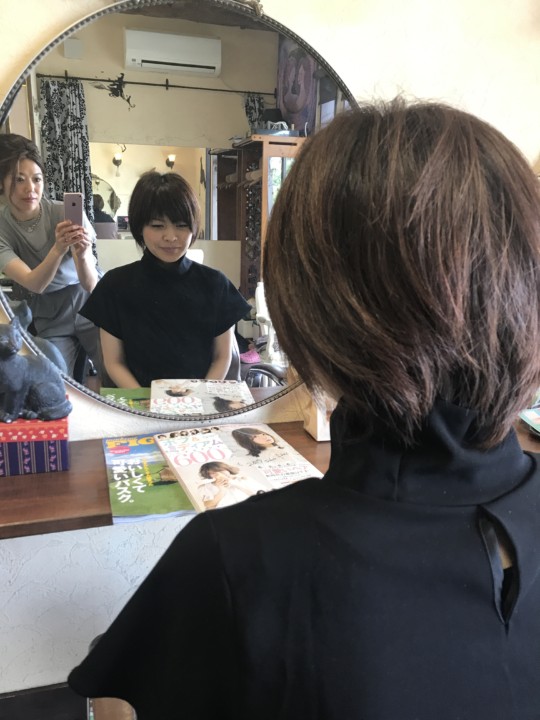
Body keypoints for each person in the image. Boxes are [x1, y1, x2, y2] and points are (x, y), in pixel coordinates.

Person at [68, 99, 540, 718]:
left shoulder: (236, 558)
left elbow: (119, 699)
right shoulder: (119, 288)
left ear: (312, 313)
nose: (169, 235)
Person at [80, 171, 251, 387]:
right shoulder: (114, 286)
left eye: (181, 225)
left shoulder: (216, 284)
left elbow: (222, 357)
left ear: (193, 226)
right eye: (157, 225)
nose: (171, 237)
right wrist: (148, 402)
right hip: (139, 402)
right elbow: (114, 363)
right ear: (140, 227)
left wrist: (197, 398)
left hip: (201, 400)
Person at [0, 133, 102, 378]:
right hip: (48, 312)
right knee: (55, 380)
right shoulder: (2, 228)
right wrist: (58, 249)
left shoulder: (63, 212)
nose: (30, 189)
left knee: (112, 369)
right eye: (19, 180)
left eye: (37, 179)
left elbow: (90, 283)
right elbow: (35, 283)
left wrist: (82, 254)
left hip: (88, 301)